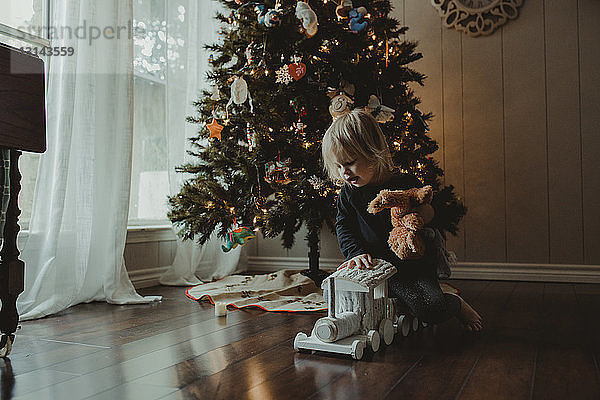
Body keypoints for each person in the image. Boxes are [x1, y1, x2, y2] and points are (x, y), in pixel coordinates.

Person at [321, 109, 483, 331]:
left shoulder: (405, 183)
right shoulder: (349, 192)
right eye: (338, 167)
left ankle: (456, 304)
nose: (344, 173)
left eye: (349, 163)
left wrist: (424, 217)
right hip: (376, 266)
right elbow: (344, 225)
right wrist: (355, 253)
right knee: (353, 299)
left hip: (411, 265)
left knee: (429, 309)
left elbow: (431, 216)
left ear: (372, 152)